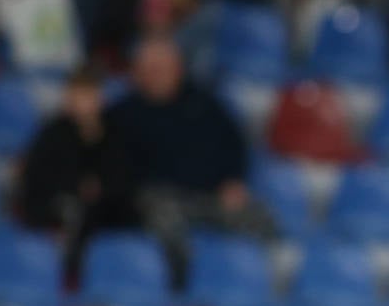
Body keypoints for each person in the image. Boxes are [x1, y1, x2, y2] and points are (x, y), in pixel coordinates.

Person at [106, 34, 272, 286]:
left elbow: (235, 144)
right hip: (159, 199)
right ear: (136, 73)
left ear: (178, 69)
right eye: (149, 69)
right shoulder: (121, 115)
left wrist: (234, 180)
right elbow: (112, 166)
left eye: (162, 68)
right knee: (164, 219)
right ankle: (184, 294)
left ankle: (263, 286)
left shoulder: (206, 106)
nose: (156, 75)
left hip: (212, 197)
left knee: (261, 218)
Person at [16, 63, 136, 286]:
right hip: (58, 206)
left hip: (107, 209)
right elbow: (37, 179)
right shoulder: (53, 135)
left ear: (100, 97)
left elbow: (124, 175)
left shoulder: (116, 134)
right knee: (75, 211)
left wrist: (101, 188)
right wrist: (77, 187)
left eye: (88, 95)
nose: (81, 102)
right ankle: (71, 278)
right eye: (77, 95)